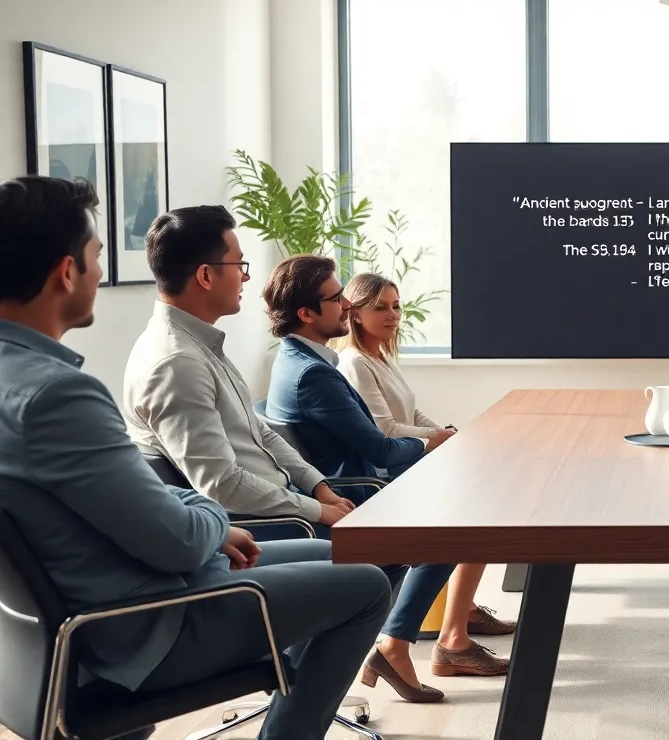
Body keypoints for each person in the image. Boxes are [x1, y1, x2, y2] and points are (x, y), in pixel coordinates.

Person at [0, 175, 392, 740]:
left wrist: (203, 518)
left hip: (101, 608)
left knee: (351, 561)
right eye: (96, 256)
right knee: (367, 585)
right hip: (147, 623)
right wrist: (212, 521)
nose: (101, 273)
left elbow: (138, 500)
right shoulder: (63, 395)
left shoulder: (23, 383)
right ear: (67, 272)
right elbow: (186, 528)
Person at [121, 207, 462, 702]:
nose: (245, 277)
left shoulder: (203, 346)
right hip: (261, 523)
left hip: (289, 503)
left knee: (391, 558)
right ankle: (311, 679)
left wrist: (318, 487)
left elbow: (262, 432)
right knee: (398, 555)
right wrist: (317, 509)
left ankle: (314, 672)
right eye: (239, 265)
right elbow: (220, 484)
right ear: (206, 275)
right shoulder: (176, 361)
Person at [263, 255, 511, 681]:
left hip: (355, 482)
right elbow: (380, 446)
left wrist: (441, 439)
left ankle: (431, 637)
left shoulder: (305, 362)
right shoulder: (317, 374)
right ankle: (418, 642)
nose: (346, 305)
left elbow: (394, 425)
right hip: (359, 492)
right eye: (337, 298)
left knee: (475, 497)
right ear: (306, 313)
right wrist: (434, 443)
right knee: (460, 521)